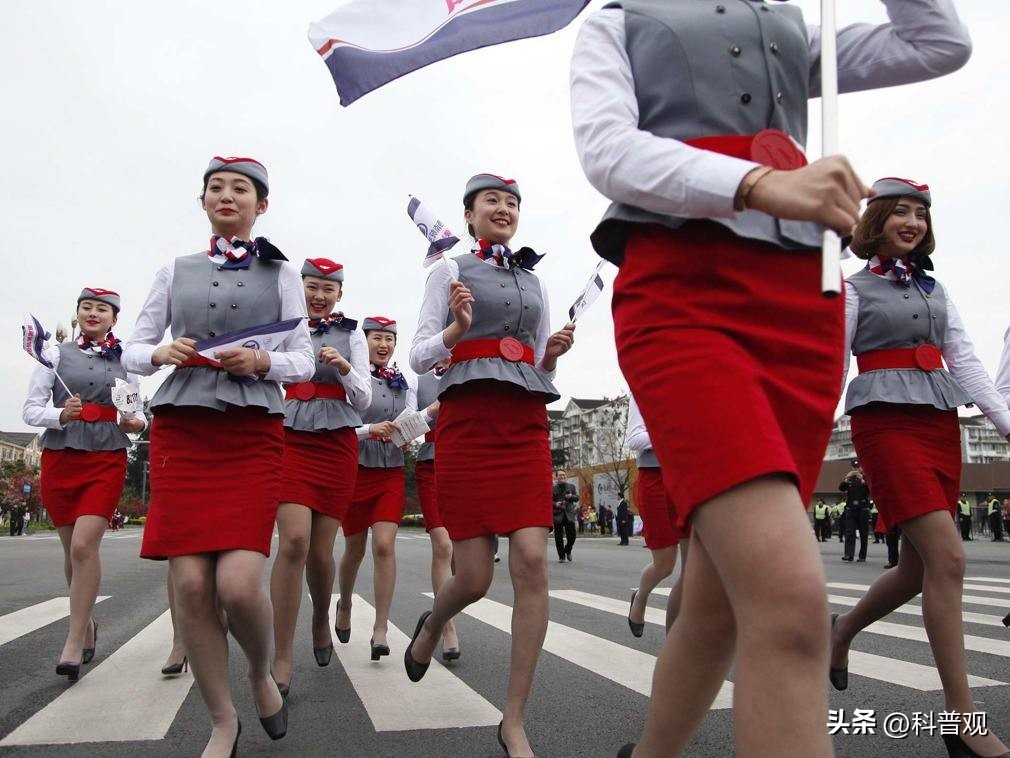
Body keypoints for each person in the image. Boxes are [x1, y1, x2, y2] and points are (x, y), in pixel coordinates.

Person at [571, 2, 975, 755]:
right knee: (790, 602)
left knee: (721, 605)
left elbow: (939, 42)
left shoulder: (791, 26)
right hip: (686, 298)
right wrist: (758, 182)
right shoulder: (621, 19)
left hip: (801, 312)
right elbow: (607, 151)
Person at [124, 156, 312, 756]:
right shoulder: (173, 270)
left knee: (235, 584)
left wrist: (262, 362)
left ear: (262, 205)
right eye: (216, 188)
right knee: (190, 582)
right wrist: (160, 355)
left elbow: (302, 359)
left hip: (250, 429)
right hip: (184, 426)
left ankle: (259, 672)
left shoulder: (282, 273)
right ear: (203, 200)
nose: (227, 196)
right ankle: (222, 720)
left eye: (242, 189)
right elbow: (132, 346)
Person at [830, 177, 1010, 757]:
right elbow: (834, 367)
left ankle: (842, 630)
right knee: (950, 559)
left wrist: (1007, 425)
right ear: (875, 221)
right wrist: (805, 437)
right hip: (885, 426)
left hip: (939, 424)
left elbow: (970, 364)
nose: (913, 222)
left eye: (921, 214)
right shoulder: (851, 289)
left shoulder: (937, 289)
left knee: (915, 571)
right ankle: (964, 720)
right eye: (900, 212)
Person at [405, 172, 575, 758]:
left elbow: (542, 368)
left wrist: (549, 356)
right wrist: (455, 329)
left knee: (531, 560)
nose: (503, 209)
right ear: (470, 216)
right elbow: (419, 355)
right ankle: (432, 624)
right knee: (473, 578)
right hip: (468, 424)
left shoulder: (535, 280)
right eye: (491, 202)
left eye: (511, 203)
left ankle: (514, 718)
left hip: (524, 424)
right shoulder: (447, 272)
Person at [23, 287, 145, 681]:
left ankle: (74, 641)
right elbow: (30, 410)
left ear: (114, 319)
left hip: (105, 457)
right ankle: (87, 622)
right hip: (61, 457)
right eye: (87, 307)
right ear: (77, 314)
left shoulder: (125, 360)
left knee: (82, 545)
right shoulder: (54, 356)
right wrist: (60, 414)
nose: (93, 314)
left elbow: (136, 415)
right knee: (70, 551)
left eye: (102, 309)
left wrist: (134, 423)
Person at [270, 257, 371, 696]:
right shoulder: (283, 325)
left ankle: (319, 617)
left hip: (336, 444)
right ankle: (281, 652)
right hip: (289, 435)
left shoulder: (352, 336)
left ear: (339, 295)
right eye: (312, 285)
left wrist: (345, 368)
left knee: (320, 553)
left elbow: (365, 399)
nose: (318, 295)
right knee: (293, 541)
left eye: (328, 288)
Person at [335, 316, 414, 663]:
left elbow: (410, 420)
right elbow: (338, 428)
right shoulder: (351, 378)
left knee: (384, 546)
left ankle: (381, 628)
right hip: (356, 470)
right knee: (354, 550)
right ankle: (346, 602)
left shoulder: (403, 383)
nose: (383, 345)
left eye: (389, 340)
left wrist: (408, 436)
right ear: (362, 341)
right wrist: (371, 429)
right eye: (377, 338)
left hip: (389, 473)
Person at [625, 395, 689, 635]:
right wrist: (674, 435)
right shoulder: (644, 385)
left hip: (689, 477)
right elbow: (634, 438)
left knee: (694, 571)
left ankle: (678, 646)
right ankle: (640, 597)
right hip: (655, 479)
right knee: (665, 565)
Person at [414, 361, 461, 661]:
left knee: (463, 555)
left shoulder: (473, 366)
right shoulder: (417, 381)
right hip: (430, 462)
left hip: (466, 461)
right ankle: (447, 628)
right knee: (443, 546)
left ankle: (443, 611)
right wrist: (429, 411)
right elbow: (405, 424)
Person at [840, 461, 871, 562]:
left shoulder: (866, 478)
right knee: (849, 532)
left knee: (863, 533)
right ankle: (849, 555)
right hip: (851, 508)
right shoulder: (850, 479)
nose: (856, 469)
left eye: (858, 467)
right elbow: (841, 488)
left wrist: (862, 480)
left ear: (861, 468)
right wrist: (846, 478)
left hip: (863, 509)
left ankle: (862, 556)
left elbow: (870, 489)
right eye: (854, 467)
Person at [552, 471, 580, 562]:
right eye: (560, 475)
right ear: (557, 477)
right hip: (557, 515)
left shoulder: (571, 486)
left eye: (564, 475)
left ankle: (567, 550)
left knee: (572, 536)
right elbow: (548, 501)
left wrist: (571, 496)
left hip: (569, 515)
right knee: (558, 538)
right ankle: (561, 557)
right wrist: (556, 504)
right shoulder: (552, 488)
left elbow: (577, 498)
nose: (562, 476)